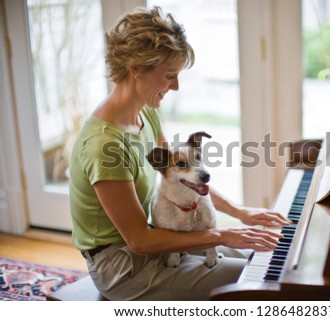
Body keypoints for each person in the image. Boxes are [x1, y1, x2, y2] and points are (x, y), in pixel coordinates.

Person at [69, 6, 290, 301]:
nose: (176, 86)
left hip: (158, 241)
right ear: (136, 70)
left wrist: (239, 213)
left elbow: (181, 176)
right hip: (122, 267)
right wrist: (223, 234)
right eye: (169, 75)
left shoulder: (145, 114)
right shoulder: (105, 146)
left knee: (265, 254)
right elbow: (139, 241)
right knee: (254, 283)